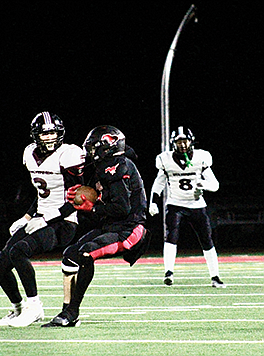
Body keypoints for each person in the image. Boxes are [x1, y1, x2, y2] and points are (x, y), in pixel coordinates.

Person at [42, 125, 151, 327]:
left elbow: (122, 208)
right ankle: (66, 311)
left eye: (93, 147)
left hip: (130, 229)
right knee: (70, 254)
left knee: (86, 254)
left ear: (107, 146)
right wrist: (47, 219)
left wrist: (91, 209)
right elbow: (88, 201)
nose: (90, 152)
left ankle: (72, 313)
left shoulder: (117, 166)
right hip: (111, 227)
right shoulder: (104, 167)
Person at [0, 111, 85, 327]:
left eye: (53, 132)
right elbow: (41, 193)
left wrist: (45, 219)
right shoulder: (29, 153)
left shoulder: (68, 154)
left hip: (64, 221)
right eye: (45, 134)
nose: (50, 137)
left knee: (19, 251)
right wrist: (27, 216)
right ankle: (19, 309)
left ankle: (34, 307)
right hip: (39, 217)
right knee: (0, 266)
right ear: (36, 136)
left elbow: (78, 199)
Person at [148, 126, 225, 288]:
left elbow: (215, 185)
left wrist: (202, 184)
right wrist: (153, 201)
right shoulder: (165, 159)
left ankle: (215, 276)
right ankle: (168, 273)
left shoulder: (201, 157)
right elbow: (158, 183)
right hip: (175, 203)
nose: (182, 144)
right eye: (179, 141)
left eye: (185, 141)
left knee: (207, 240)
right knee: (171, 237)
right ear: (173, 143)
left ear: (191, 141)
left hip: (197, 204)